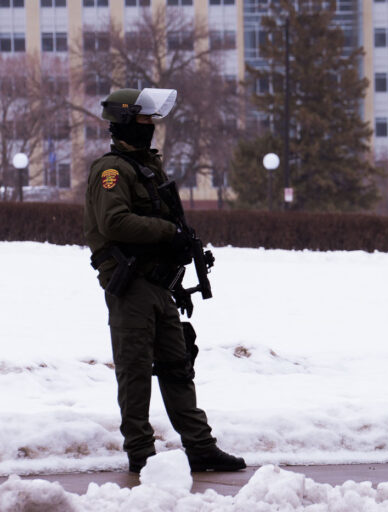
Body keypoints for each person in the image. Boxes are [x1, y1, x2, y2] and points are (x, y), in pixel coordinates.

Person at [84, 88, 246, 473]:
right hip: (132, 284)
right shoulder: (112, 170)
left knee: (178, 364)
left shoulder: (147, 166)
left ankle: (200, 447)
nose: (150, 128)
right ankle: (140, 453)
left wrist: (179, 258)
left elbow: (167, 221)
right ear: (125, 122)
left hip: (158, 285)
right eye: (144, 122)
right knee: (135, 369)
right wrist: (166, 233)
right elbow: (114, 222)